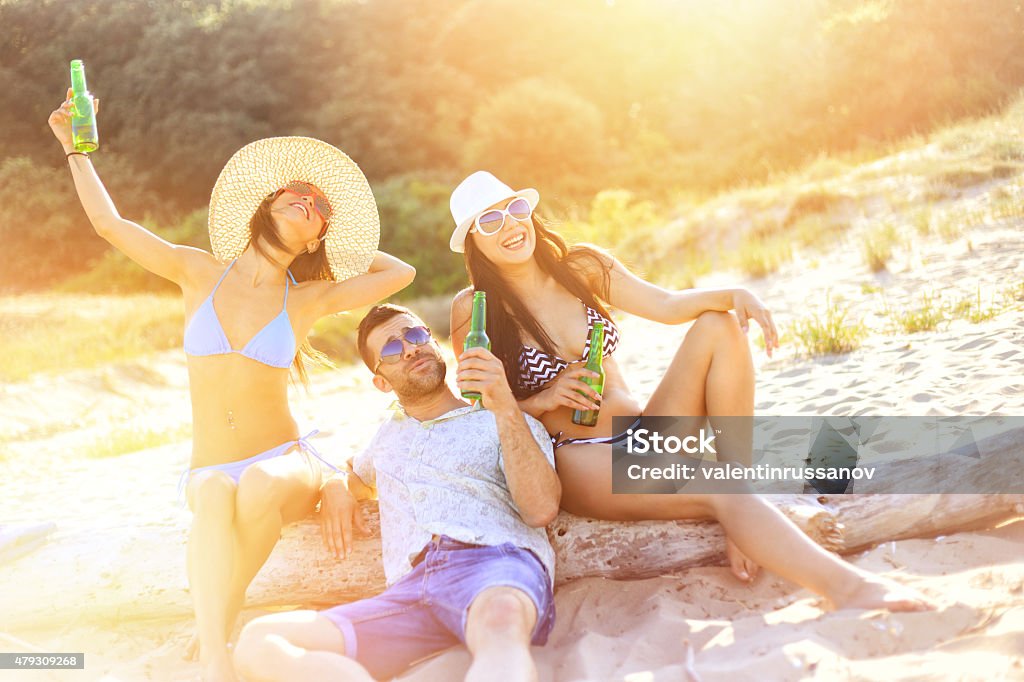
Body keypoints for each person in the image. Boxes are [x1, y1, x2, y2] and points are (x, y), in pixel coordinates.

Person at [48, 91, 416, 682]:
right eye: (294, 193)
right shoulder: (196, 272)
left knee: (258, 485)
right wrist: (74, 148)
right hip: (210, 465)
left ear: (317, 238)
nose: (305, 199)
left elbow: (402, 275)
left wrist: (339, 241)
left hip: (283, 460)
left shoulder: (305, 299)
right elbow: (109, 225)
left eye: (318, 205)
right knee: (217, 492)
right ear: (266, 205)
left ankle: (214, 627)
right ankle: (219, 652)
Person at [448, 171, 935, 612]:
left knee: (718, 326)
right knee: (722, 493)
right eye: (489, 221)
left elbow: (667, 303)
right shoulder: (476, 309)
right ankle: (851, 590)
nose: (510, 225)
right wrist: (544, 397)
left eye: (515, 209)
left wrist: (734, 295)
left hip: (645, 429)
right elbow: (475, 409)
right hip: (581, 455)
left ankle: (739, 490)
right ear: (473, 240)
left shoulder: (582, 267)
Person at [233, 303, 560, 682]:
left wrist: (504, 407)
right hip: (410, 591)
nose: (409, 348)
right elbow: (353, 471)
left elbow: (541, 509)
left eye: (416, 335)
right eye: (390, 350)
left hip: (493, 564)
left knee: (500, 625)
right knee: (260, 639)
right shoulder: (387, 437)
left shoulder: (503, 419)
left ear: (435, 346)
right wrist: (336, 485)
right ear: (381, 382)